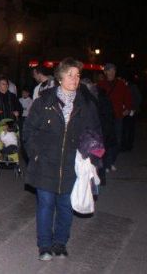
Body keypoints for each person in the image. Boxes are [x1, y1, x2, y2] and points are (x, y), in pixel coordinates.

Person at [24, 58, 102, 261]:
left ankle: (60, 242)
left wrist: (92, 158)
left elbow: (95, 133)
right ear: (60, 77)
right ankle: (44, 245)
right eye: (70, 75)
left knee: (66, 206)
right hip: (46, 162)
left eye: (77, 75)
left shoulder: (85, 104)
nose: (75, 79)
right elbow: (29, 130)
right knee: (46, 204)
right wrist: (36, 153)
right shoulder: (44, 101)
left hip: (71, 164)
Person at [97, 63, 132, 172]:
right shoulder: (100, 84)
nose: (111, 72)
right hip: (105, 118)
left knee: (117, 140)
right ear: (105, 72)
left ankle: (111, 161)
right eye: (109, 70)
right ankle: (105, 163)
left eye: (113, 70)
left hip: (117, 116)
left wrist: (128, 108)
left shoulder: (121, 84)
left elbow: (128, 97)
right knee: (105, 140)